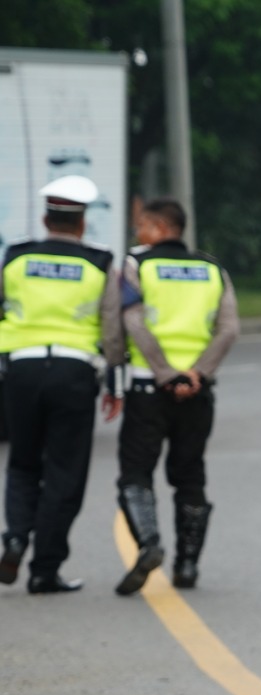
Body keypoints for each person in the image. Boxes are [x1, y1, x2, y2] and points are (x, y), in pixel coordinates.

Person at [0, 175, 126, 593]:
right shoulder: (99, 263)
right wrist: (115, 383)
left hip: (21, 370)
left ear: (45, 219)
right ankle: (44, 569)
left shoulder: (15, 257)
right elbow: (112, 328)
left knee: (23, 463)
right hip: (74, 374)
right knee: (65, 471)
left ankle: (15, 537)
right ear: (83, 222)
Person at [112, 198, 240, 596]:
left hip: (148, 387)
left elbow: (132, 323)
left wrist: (165, 374)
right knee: (190, 475)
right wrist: (198, 373)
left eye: (142, 226)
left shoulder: (136, 265)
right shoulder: (213, 269)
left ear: (159, 228)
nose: (137, 233)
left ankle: (149, 544)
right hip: (198, 392)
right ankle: (187, 565)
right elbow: (229, 329)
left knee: (136, 472)